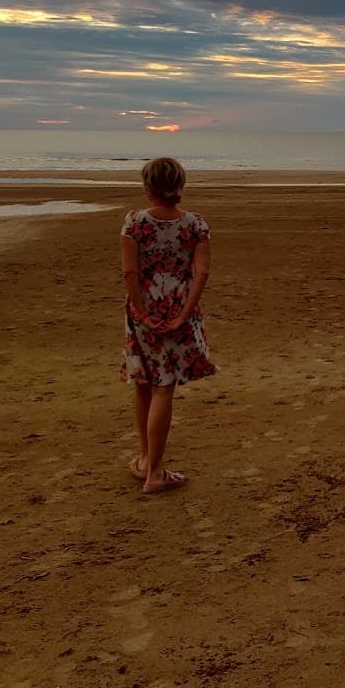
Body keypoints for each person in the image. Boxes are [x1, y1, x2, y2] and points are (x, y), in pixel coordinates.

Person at [120, 156, 214, 493]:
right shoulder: (195, 225)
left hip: (143, 305)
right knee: (162, 387)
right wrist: (185, 312)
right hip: (177, 302)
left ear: (148, 187)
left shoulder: (135, 223)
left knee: (144, 382)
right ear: (180, 185)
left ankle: (149, 461)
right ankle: (153, 469)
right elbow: (201, 272)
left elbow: (130, 272)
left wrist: (142, 312)